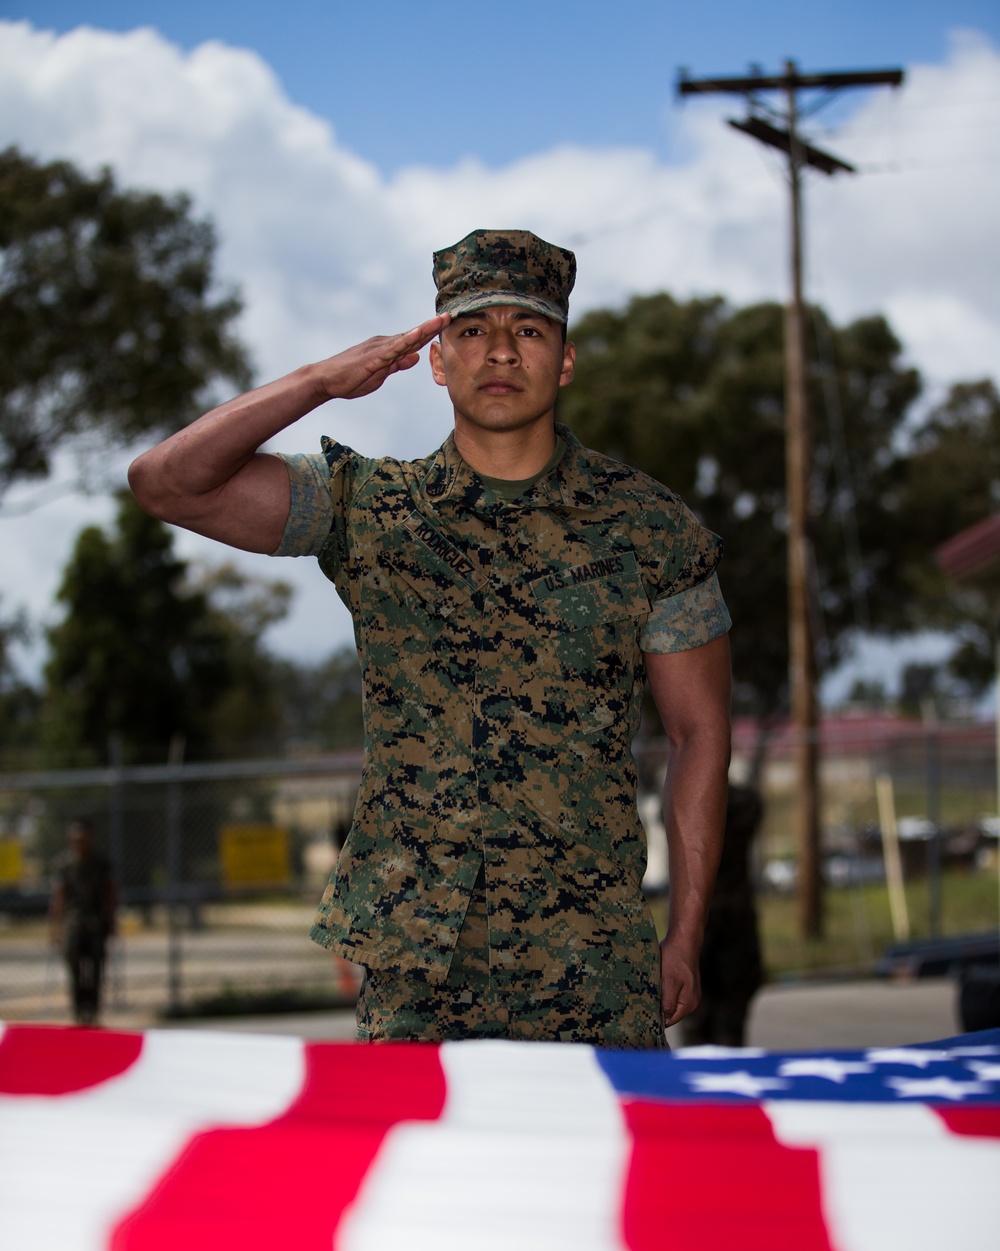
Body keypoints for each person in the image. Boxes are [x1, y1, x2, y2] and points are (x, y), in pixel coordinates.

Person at [129, 229, 732, 1046]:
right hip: (420, 968)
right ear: (438, 360)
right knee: (416, 1176)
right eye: (473, 330)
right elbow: (166, 482)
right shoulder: (370, 510)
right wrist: (318, 382)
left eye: (529, 331)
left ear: (564, 361)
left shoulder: (649, 530)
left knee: (599, 1174)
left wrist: (685, 932)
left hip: (593, 962)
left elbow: (700, 733)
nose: (501, 353)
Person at [686, 782, 764, 1048]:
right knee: (723, 1016)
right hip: (724, 916)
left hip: (703, 915)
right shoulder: (744, 803)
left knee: (701, 1014)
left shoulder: (687, 802)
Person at [49, 819, 117, 1027]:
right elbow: (59, 896)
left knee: (96, 970)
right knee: (75, 969)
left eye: (84, 839)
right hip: (73, 923)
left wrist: (111, 919)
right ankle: (79, 1013)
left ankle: (93, 1012)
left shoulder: (101, 862)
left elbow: (110, 892)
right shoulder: (64, 863)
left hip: (96, 922)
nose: (80, 843)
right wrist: (55, 927)